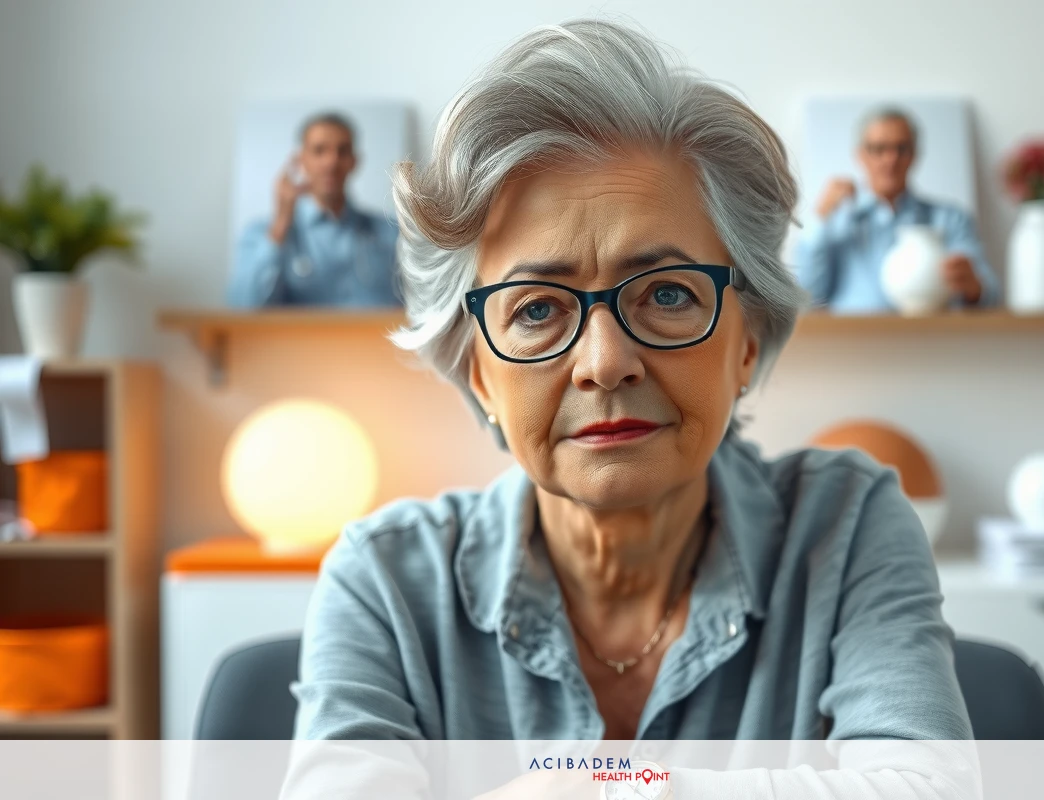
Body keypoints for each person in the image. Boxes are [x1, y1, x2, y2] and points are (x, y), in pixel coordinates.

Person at [290, 18, 974, 800]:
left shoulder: (847, 529)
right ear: (477, 369)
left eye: (671, 294)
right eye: (537, 310)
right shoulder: (385, 582)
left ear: (745, 340)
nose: (605, 362)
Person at [795, 107, 1000, 314]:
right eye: (879, 149)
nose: (891, 159)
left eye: (901, 149)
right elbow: (806, 297)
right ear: (861, 155)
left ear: (914, 154)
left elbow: (991, 295)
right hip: (853, 340)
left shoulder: (949, 219)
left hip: (931, 340)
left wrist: (973, 287)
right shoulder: (836, 221)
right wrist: (821, 217)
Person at [227, 111, 404, 308]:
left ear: (354, 161)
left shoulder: (389, 232)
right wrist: (280, 226)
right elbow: (240, 309)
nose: (331, 162)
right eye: (319, 151)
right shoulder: (262, 234)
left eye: (342, 151)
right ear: (300, 160)